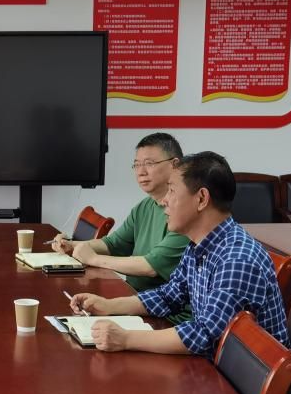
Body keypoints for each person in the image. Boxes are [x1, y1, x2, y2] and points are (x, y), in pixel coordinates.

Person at [70, 152, 288, 355]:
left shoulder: (237, 259)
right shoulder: (198, 245)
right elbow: (169, 296)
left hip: (238, 378)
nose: (164, 200)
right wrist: (108, 306)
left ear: (201, 199)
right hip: (212, 365)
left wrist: (125, 339)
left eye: (172, 191)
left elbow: (204, 335)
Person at [51, 132, 189, 313]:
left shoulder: (184, 214)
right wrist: (72, 245)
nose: (141, 172)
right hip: (134, 298)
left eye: (149, 163)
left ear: (175, 164)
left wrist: (93, 258)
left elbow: (150, 267)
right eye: (137, 164)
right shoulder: (144, 206)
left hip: (160, 311)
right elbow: (114, 244)